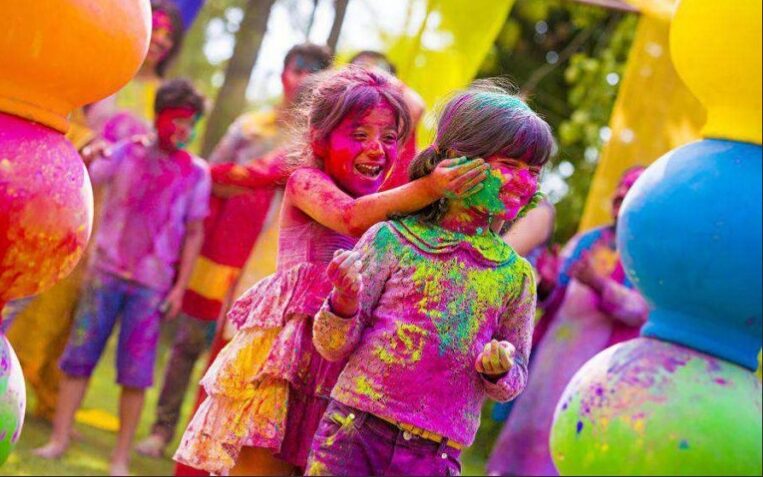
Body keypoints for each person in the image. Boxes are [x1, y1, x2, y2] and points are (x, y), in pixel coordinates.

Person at [173, 66, 489, 476]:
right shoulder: (305, 181)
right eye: (359, 136)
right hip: (287, 358)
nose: (377, 149)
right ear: (320, 140)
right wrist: (429, 187)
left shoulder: (389, 214)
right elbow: (349, 216)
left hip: (342, 358)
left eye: (390, 138)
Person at [304, 79, 555, 476]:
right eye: (509, 166)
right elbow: (332, 347)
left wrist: (500, 368)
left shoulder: (516, 276)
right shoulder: (392, 240)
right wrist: (344, 303)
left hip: (436, 456)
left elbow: (513, 380)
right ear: (454, 160)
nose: (523, 182)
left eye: (533, 172)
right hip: (353, 433)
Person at [135, 43, 333, 463]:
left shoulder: (317, 144)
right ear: (282, 74)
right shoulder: (249, 128)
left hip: (266, 265)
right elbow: (206, 180)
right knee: (188, 344)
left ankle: (208, 451)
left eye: (312, 73)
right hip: (219, 253)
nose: (301, 78)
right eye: (297, 69)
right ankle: (161, 431)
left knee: (234, 358)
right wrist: (257, 181)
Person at [4, 0, 184, 425]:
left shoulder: (165, 97)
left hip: (120, 221)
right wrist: (86, 144)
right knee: (43, 291)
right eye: (154, 27)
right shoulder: (102, 74)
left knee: (78, 308)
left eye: (168, 35)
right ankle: (18, 378)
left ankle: (47, 397)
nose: (159, 38)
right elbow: (64, 115)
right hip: (66, 192)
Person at [33, 79, 210, 477]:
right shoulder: (127, 153)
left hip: (152, 285)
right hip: (106, 274)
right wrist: (88, 152)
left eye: (192, 123)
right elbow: (87, 177)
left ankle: (119, 460)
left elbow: (195, 231)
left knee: (136, 373)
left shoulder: (197, 174)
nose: (184, 130)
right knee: (79, 359)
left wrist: (180, 287)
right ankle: (59, 439)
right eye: (177, 120)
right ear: (159, 116)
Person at [485, 166, 649, 476]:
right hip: (550, 356)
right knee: (524, 430)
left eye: (630, 192)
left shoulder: (645, 253)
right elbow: (556, 292)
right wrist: (546, 283)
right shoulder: (588, 239)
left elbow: (639, 311)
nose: (620, 197)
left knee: (562, 439)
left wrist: (599, 285)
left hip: (595, 369)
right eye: (619, 190)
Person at [349, 50, 426, 191]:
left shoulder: (402, 112)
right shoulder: (345, 116)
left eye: (380, 68)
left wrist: (376, 74)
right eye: (360, 68)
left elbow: (417, 106)